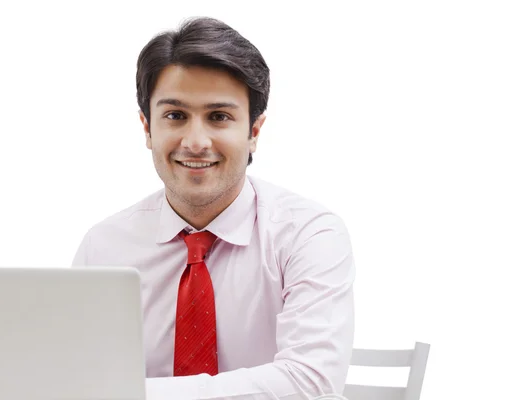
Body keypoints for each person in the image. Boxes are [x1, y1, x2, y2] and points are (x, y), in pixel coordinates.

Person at [72, 16, 355, 400]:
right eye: (175, 116)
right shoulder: (105, 247)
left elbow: (311, 383)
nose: (196, 141)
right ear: (147, 128)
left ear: (254, 132)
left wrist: (137, 393)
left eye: (219, 117)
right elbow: (79, 380)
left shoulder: (308, 235)